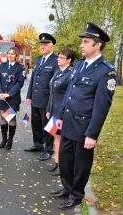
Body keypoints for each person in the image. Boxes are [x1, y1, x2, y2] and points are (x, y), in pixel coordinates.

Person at [51, 22, 117, 210]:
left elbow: (101, 107)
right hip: (68, 122)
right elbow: (69, 93)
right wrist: (60, 117)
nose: (82, 44)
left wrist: (92, 134)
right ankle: (67, 188)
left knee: (80, 165)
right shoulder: (79, 65)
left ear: (97, 45)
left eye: (86, 41)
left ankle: (76, 195)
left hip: (84, 128)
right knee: (65, 159)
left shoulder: (106, 71)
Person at [24, 33, 58, 161]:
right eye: (41, 44)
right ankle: (38, 144)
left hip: (48, 99)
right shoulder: (38, 60)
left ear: (51, 46)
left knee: (49, 124)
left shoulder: (55, 61)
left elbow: (56, 82)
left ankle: (49, 149)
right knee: (36, 123)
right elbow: (33, 79)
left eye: (45, 44)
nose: (42, 47)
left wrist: (53, 101)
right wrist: (29, 95)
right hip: (36, 98)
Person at [45, 48, 75, 176]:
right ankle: (57, 162)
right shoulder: (57, 72)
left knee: (62, 139)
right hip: (53, 110)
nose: (58, 59)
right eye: (58, 57)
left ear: (69, 60)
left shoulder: (71, 74)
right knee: (56, 137)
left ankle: (63, 165)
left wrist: (62, 114)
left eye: (61, 57)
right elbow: (51, 93)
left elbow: (70, 96)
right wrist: (48, 109)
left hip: (62, 112)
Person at [0, 47, 25, 150]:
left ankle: (10, 140)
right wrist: (0, 92)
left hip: (12, 98)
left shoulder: (20, 67)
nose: (10, 55)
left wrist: (9, 94)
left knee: (11, 119)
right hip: (1, 97)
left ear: (16, 56)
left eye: (13, 54)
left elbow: (19, 83)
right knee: (3, 118)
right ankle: (4, 139)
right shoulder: (2, 66)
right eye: (9, 53)